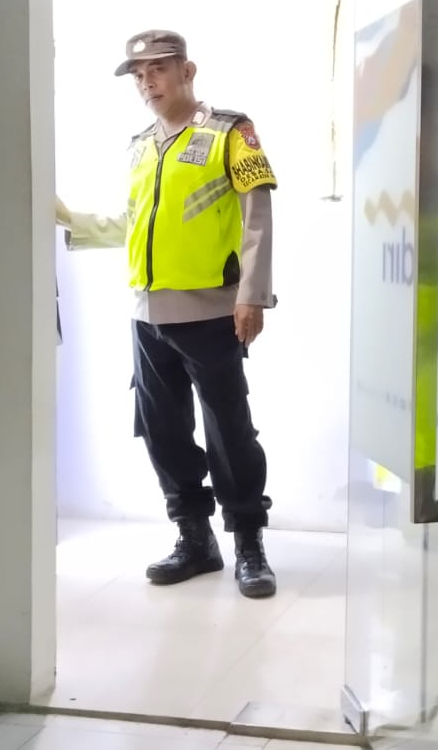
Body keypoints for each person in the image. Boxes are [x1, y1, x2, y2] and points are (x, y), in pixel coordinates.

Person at [55, 30, 281, 599]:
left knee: (229, 430)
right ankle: (194, 538)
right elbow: (135, 224)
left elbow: (257, 215)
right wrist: (71, 220)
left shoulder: (230, 132)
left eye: (157, 68)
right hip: (147, 316)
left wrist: (252, 294)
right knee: (162, 431)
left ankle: (248, 544)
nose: (146, 82)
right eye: (138, 74)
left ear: (187, 70)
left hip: (211, 312)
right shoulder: (141, 146)